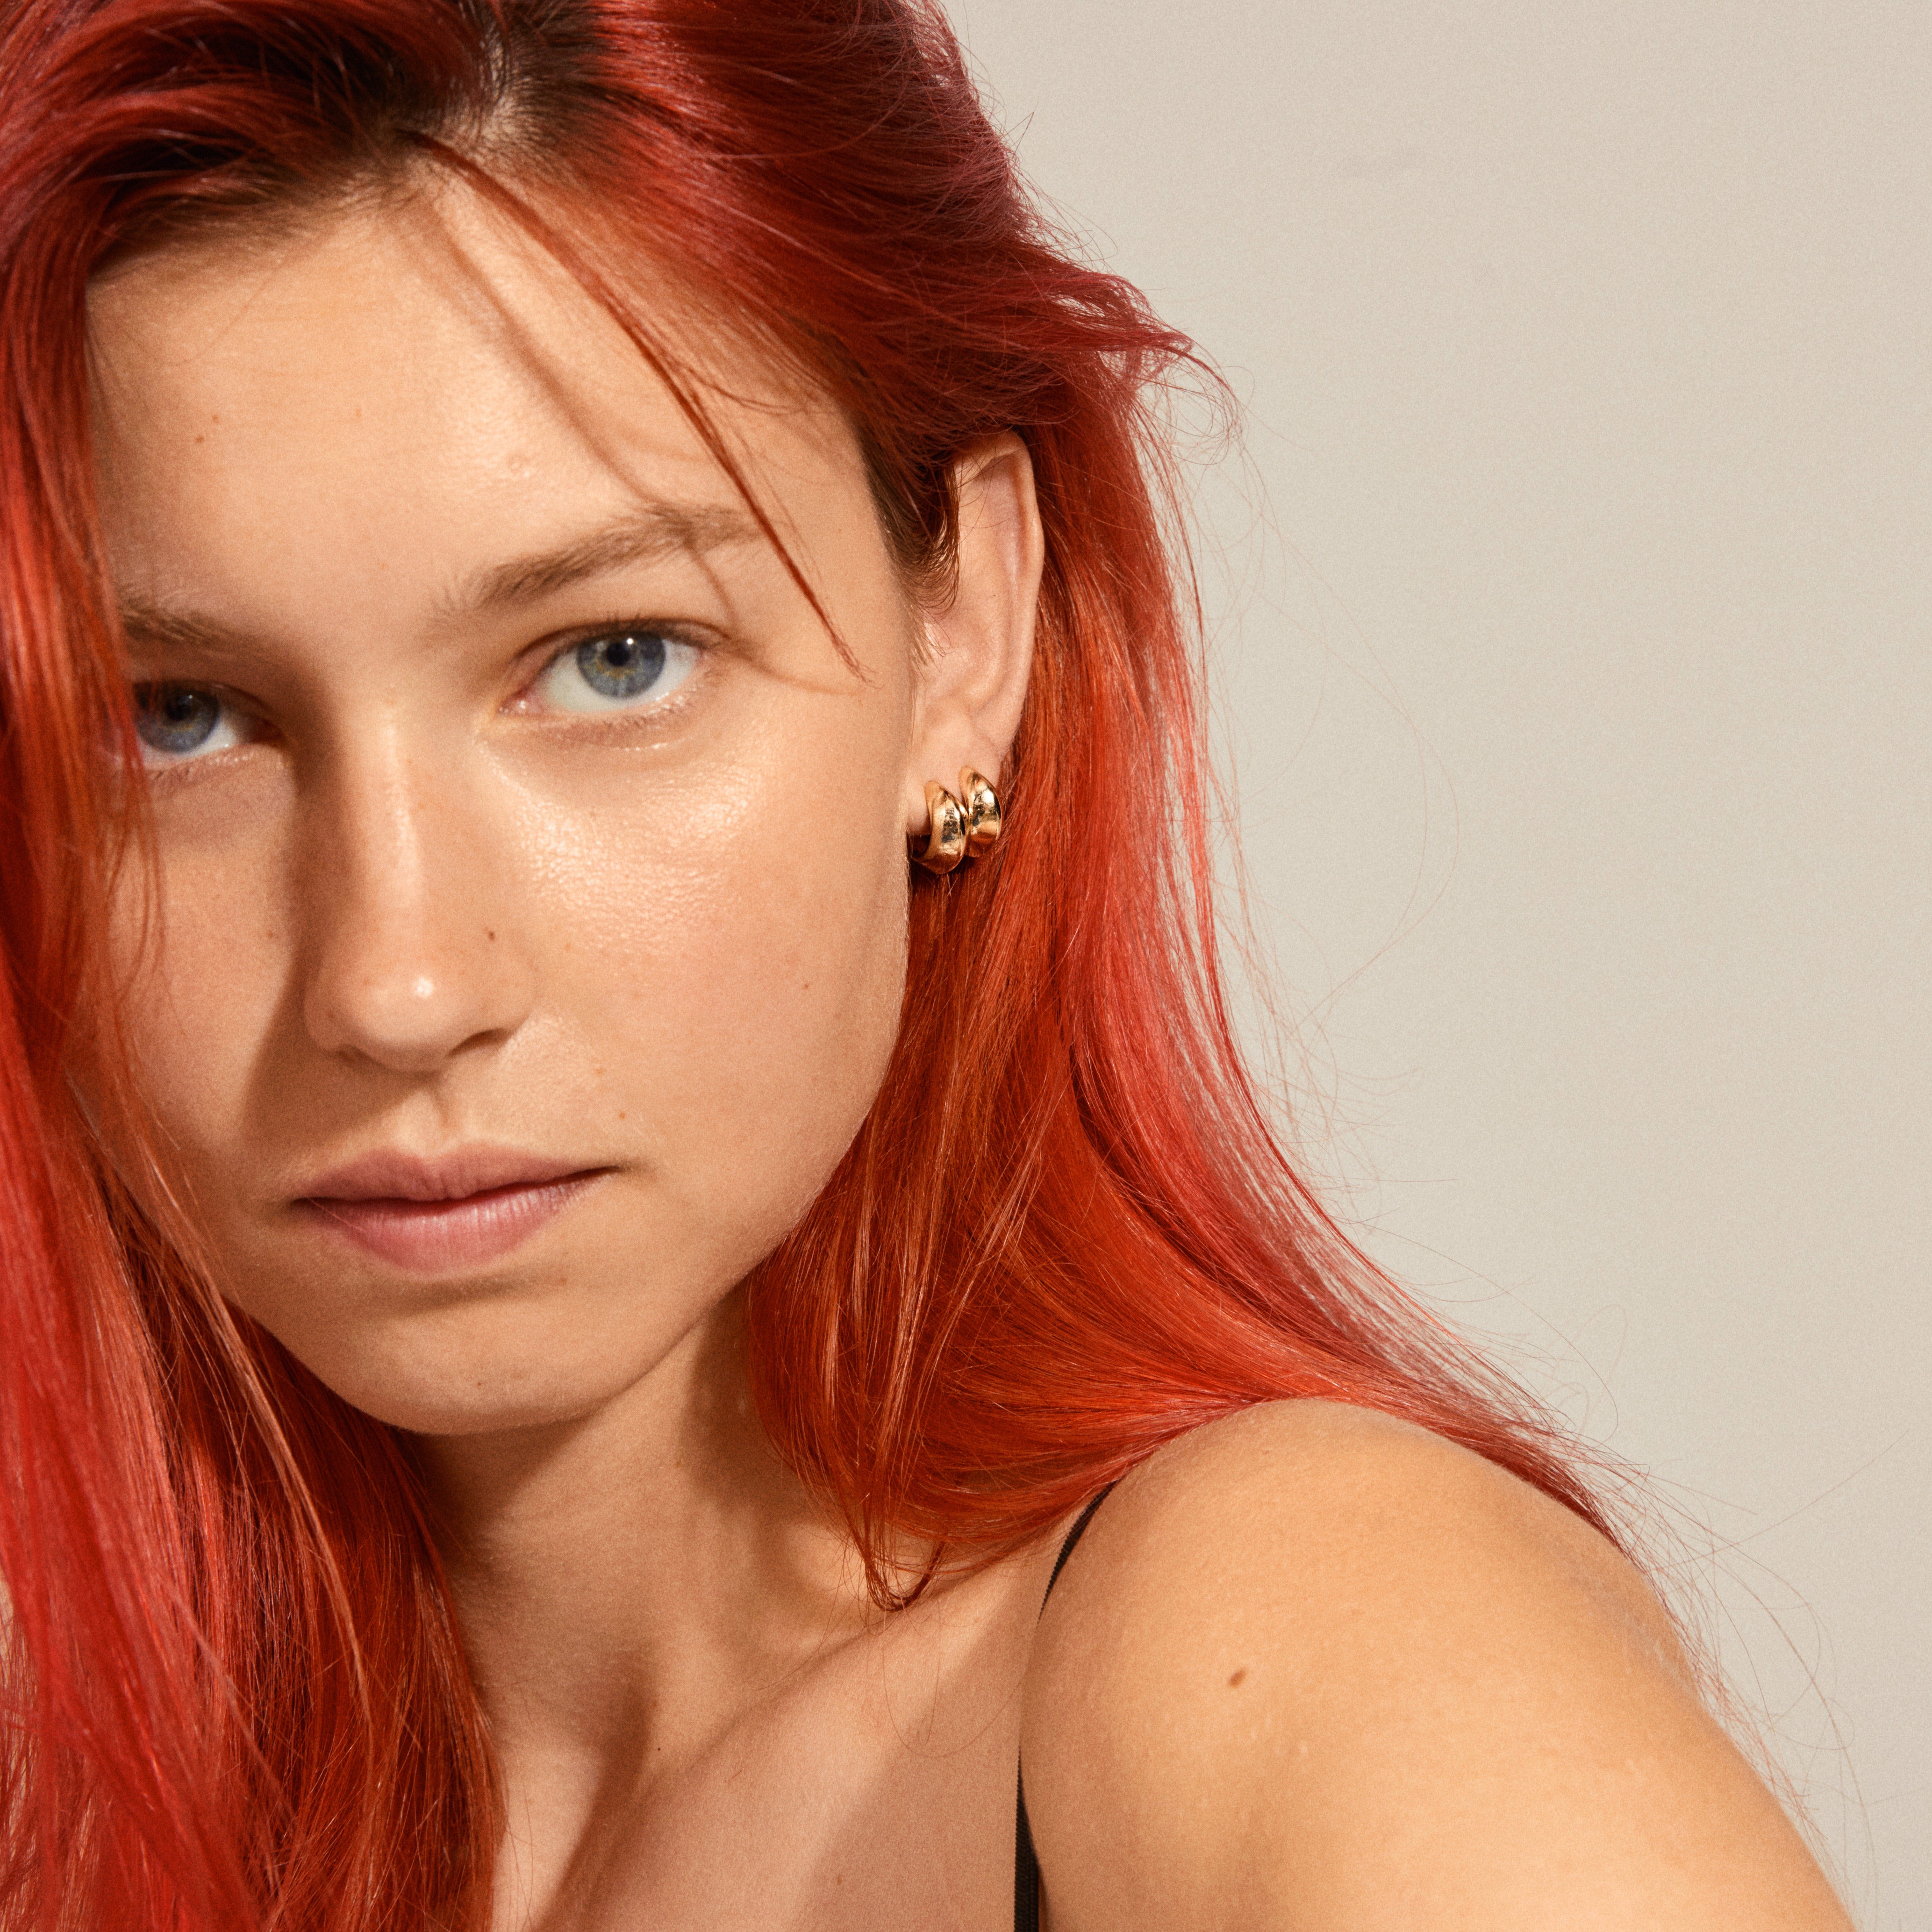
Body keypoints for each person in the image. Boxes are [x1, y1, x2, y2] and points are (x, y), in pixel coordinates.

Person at [0, 2, 1855, 1927]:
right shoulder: (72, 1822)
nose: (392, 982)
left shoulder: (1298, 1638)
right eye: (179, 717)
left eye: (612, 656)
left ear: (961, 625)